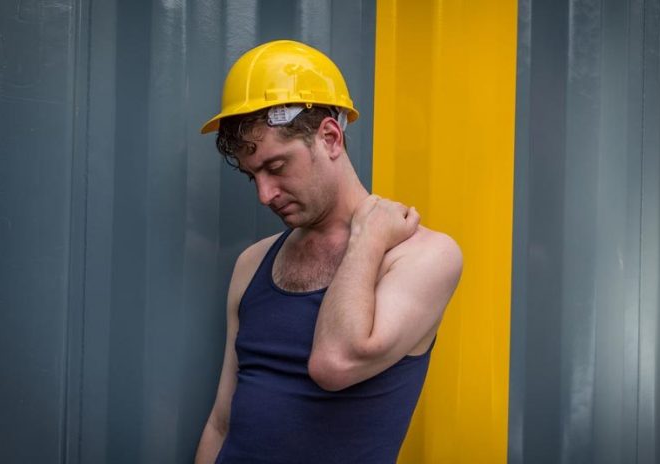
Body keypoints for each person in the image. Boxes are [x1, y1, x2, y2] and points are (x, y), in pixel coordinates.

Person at [195, 40, 462, 464]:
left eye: (276, 167)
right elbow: (221, 424)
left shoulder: (425, 256)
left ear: (330, 138)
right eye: (253, 177)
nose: (265, 194)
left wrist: (368, 238)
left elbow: (334, 364)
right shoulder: (253, 263)